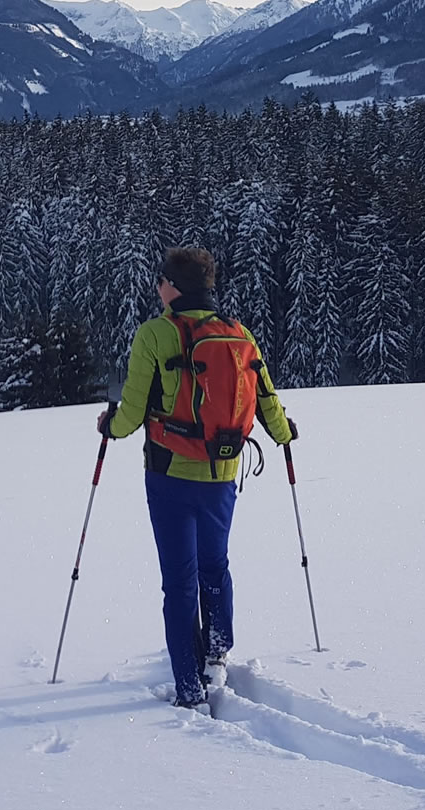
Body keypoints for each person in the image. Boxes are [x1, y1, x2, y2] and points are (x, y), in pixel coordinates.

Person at [98, 245, 296, 708]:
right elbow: (266, 398)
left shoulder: (155, 334)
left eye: (160, 280)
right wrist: (286, 433)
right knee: (215, 565)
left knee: (179, 580)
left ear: (174, 287)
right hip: (223, 472)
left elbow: (130, 416)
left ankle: (188, 687)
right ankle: (218, 652)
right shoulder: (239, 334)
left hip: (169, 473)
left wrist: (109, 425)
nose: (157, 287)